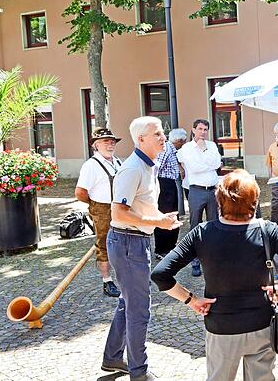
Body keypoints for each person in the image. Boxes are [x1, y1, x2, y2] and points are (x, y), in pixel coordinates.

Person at [151, 169, 278, 381]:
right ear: (254, 201)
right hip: (261, 324)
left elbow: (160, 274)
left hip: (221, 327)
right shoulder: (267, 231)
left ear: (219, 200)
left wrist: (191, 300)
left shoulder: (202, 233)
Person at [101, 117, 181, 381]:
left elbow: (140, 205)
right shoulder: (133, 169)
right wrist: (157, 221)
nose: (163, 137)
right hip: (127, 242)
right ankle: (139, 372)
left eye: (162, 132)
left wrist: (162, 219)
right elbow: (119, 212)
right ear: (140, 140)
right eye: (156, 133)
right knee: (138, 309)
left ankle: (113, 358)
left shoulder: (148, 166)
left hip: (134, 241)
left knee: (128, 303)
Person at [75, 128, 124, 298]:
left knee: (123, 241)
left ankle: (125, 278)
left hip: (119, 207)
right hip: (102, 209)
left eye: (112, 142)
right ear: (96, 145)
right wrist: (95, 205)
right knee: (104, 245)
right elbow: (80, 192)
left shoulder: (117, 162)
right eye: (106, 142)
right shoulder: (90, 165)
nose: (111, 144)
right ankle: (107, 281)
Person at [177, 119, 221, 277]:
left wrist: (205, 156)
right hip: (196, 191)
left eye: (205, 129)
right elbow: (194, 169)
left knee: (214, 226)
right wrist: (204, 155)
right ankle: (195, 260)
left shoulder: (212, 145)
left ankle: (213, 259)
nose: (203, 132)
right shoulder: (187, 148)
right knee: (195, 226)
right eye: (200, 129)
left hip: (212, 191)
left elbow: (217, 164)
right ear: (194, 130)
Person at [154, 128, 186, 259]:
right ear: (178, 141)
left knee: (173, 214)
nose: (184, 144)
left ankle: (170, 246)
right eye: (183, 141)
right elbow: (157, 167)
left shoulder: (172, 150)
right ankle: (161, 249)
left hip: (170, 183)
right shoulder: (166, 148)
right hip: (164, 184)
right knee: (165, 215)